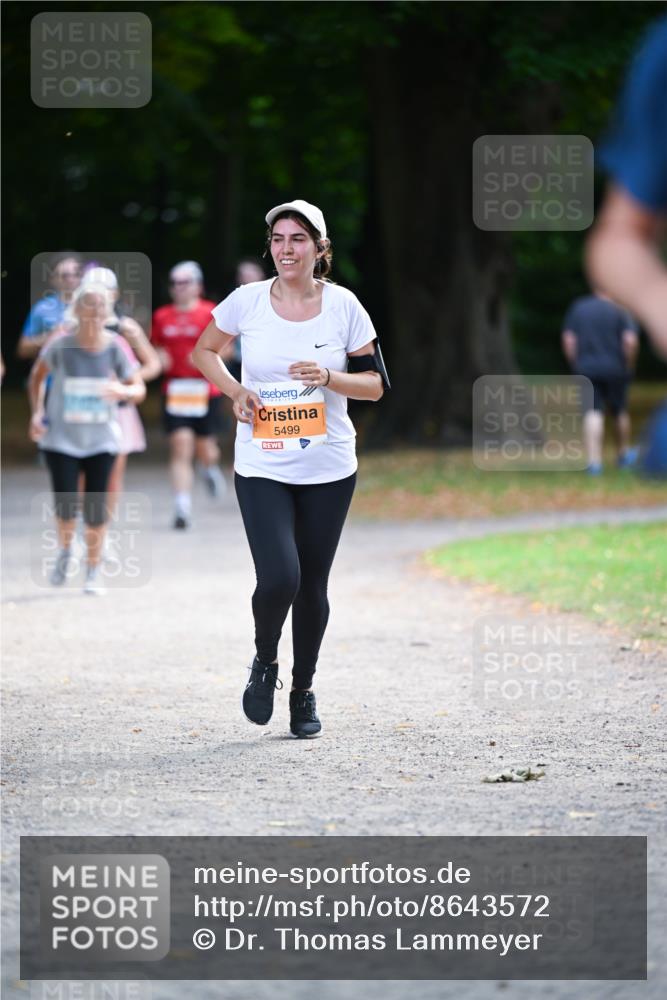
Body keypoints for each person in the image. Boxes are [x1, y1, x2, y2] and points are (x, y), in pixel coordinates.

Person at [192, 199, 389, 738]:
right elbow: (204, 351)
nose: (286, 249)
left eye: (298, 239)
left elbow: (374, 384)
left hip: (328, 465)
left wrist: (329, 377)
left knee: (313, 585)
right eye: (278, 239)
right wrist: (234, 390)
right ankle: (265, 662)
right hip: (262, 463)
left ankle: (303, 690)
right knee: (280, 574)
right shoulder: (247, 301)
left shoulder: (345, 306)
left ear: (319, 248)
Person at [586, 15, 667, 474]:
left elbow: (572, 340)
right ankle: (611, 455)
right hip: (609, 371)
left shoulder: (588, 313)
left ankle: (603, 459)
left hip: (601, 372)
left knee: (605, 410)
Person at [28, 282, 146, 595]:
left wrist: (125, 391)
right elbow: (37, 377)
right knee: (65, 505)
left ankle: (93, 571)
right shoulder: (60, 343)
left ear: (108, 311)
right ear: (76, 309)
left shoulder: (116, 345)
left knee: (95, 506)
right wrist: (37, 412)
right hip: (61, 439)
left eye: (101, 305)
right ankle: (67, 550)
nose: (95, 311)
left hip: (102, 439)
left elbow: (138, 387)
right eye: (89, 305)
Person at [78, 267, 161, 526]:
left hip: (119, 409)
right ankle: (85, 527)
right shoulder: (71, 329)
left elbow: (153, 365)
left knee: (112, 475)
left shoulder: (125, 328)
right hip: (82, 409)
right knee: (81, 474)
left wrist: (127, 380)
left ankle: (103, 533)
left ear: (114, 294)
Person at [151, 261, 228, 529]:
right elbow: (157, 347)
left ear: (198, 286)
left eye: (184, 282)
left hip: (205, 389)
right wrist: (160, 359)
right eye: (174, 283)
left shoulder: (210, 312)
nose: (179, 288)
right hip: (175, 389)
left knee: (206, 448)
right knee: (180, 445)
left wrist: (203, 359)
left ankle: (209, 468)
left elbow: (227, 350)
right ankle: (182, 507)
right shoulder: (162, 315)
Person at [561, 290, 639, 474]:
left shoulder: (579, 308)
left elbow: (569, 340)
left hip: (586, 368)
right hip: (615, 368)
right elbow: (630, 341)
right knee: (619, 410)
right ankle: (623, 454)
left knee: (592, 412)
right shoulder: (621, 310)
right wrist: (629, 365)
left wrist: (576, 363)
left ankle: (594, 462)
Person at [17, 254, 82, 360]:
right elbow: (23, 349)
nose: (71, 279)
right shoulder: (42, 308)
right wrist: (53, 336)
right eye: (65, 275)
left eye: (76, 274)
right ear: (53, 279)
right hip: (52, 375)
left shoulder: (97, 306)